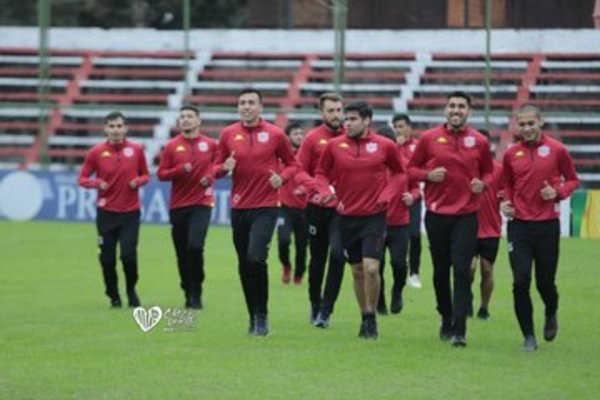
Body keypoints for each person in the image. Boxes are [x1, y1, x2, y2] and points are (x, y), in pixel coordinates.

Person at [408, 91, 494, 347]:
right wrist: (427, 175)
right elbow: (411, 169)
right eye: (452, 106)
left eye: (461, 106)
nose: (456, 110)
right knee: (440, 272)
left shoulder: (478, 141)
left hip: (466, 216)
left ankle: (459, 328)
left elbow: (490, 172)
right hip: (436, 216)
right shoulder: (429, 138)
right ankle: (445, 315)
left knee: (462, 270)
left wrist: (483, 183)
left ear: (469, 111)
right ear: (445, 110)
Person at [315, 100, 405, 339]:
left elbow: (399, 174)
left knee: (371, 268)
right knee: (356, 271)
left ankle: (372, 317)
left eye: (353, 119)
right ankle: (364, 316)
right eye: (347, 119)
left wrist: (387, 195)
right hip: (345, 217)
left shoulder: (385, 145)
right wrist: (325, 192)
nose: (347, 123)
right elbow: (321, 173)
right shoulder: (334, 146)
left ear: (367, 121)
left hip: (374, 216)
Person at [215, 88, 298, 336]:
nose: (246, 107)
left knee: (255, 258)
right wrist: (223, 168)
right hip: (239, 207)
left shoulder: (275, 134)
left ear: (261, 107)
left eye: (252, 103)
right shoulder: (228, 134)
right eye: (242, 103)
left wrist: (282, 178)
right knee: (244, 264)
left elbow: (294, 164)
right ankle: (252, 314)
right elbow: (214, 169)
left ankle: (262, 316)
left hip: (267, 207)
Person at [501, 104, 579, 351]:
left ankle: (551, 310)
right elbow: (507, 186)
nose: (526, 128)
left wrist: (557, 193)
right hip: (519, 226)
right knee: (521, 281)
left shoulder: (557, 150)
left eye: (530, 123)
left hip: (547, 226)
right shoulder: (511, 153)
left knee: (545, 282)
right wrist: (505, 203)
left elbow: (573, 180)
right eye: (522, 124)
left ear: (540, 122)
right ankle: (528, 337)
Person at [78, 111, 149, 308]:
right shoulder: (96, 152)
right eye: (111, 126)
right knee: (107, 259)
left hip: (130, 213)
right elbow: (82, 179)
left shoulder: (136, 150)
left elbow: (146, 175)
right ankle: (113, 294)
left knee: (128, 255)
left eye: (119, 126)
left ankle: (131, 290)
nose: (115, 130)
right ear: (105, 129)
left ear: (125, 128)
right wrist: (96, 183)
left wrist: (139, 181)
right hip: (106, 213)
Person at [157, 105, 221, 309]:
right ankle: (187, 289)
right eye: (182, 116)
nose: (185, 119)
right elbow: (161, 174)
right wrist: (178, 170)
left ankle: (197, 291)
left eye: (190, 116)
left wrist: (209, 176)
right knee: (182, 252)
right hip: (178, 206)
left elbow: (220, 168)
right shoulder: (171, 146)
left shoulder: (211, 144)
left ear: (198, 121)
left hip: (202, 203)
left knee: (195, 246)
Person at [295, 92, 347, 328]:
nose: (336, 115)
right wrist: (318, 186)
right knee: (317, 259)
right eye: (331, 111)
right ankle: (314, 304)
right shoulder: (312, 138)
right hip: (316, 207)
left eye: (339, 110)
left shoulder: (351, 136)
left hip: (343, 209)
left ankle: (327, 309)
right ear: (321, 113)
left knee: (337, 255)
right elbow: (298, 170)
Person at [375, 126, 421, 315]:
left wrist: (413, 195)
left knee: (399, 264)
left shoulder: (405, 164)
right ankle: (380, 301)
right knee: (377, 265)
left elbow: (417, 188)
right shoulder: (370, 165)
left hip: (400, 223)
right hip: (376, 223)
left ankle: (397, 291)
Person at [470, 129, 503, 321]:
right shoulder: (465, 168)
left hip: (491, 227)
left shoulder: (498, 169)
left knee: (487, 269)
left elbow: (506, 191)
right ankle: (465, 299)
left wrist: (505, 200)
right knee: (469, 268)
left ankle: (483, 308)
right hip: (468, 226)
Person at [393, 113, 424, 289]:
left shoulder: (418, 146)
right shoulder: (391, 146)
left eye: (402, 126)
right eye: (396, 127)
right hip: (394, 199)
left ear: (409, 127)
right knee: (399, 237)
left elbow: (421, 169)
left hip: (413, 195)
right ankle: (401, 270)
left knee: (414, 234)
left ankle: (414, 273)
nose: (399, 130)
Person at [277, 121, 308, 285]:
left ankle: (299, 274)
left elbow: (317, 177)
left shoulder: (308, 156)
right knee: (283, 240)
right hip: (284, 208)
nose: (299, 137)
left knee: (302, 246)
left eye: (301, 133)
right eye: (295, 134)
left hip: (305, 209)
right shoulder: (281, 157)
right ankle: (286, 265)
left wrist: (304, 188)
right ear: (288, 137)